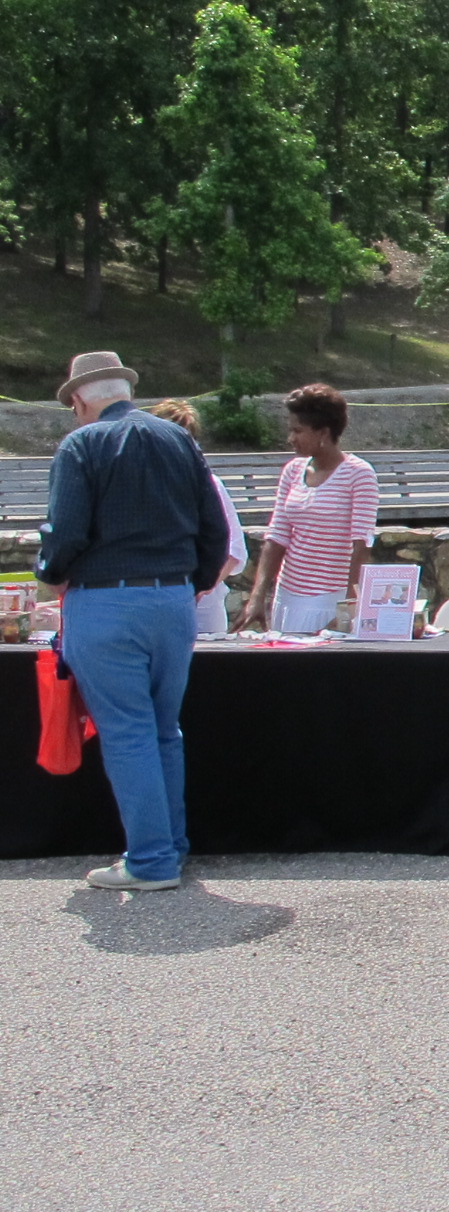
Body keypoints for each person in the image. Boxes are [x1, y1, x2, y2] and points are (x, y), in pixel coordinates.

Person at [34, 351, 230, 892]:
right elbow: (214, 527)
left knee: (128, 735)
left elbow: (66, 531)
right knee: (164, 730)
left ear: (79, 400)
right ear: (124, 390)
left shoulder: (81, 444)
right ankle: (171, 846)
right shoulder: (177, 439)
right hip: (172, 602)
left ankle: (150, 860)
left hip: (107, 602)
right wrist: (191, 584)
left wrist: (49, 570)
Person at [236, 384, 377, 636]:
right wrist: (257, 596)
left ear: (323, 432)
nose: (290, 438)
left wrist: (348, 608)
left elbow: (361, 545)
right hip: (288, 599)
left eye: (298, 430)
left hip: (330, 601)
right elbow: (277, 536)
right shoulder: (292, 471)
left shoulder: (359, 474)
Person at [143, 400, 248, 637]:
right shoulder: (141, 487)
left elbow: (234, 551)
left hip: (202, 610)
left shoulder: (211, 485)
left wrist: (200, 587)